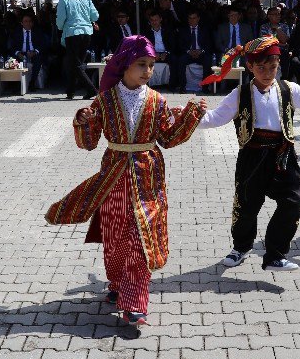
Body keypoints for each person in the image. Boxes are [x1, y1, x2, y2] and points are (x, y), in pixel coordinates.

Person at [45, 36, 205, 328]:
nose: (147, 71)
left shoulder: (158, 100)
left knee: (139, 236)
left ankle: (134, 302)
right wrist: (83, 120)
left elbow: (168, 138)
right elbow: (89, 143)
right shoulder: (104, 100)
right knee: (115, 233)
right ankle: (117, 282)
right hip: (114, 176)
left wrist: (189, 117)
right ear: (124, 66)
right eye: (141, 64)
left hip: (148, 177)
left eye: (152, 65)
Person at [200, 35, 300, 271]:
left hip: (283, 153)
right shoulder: (240, 94)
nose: (267, 73)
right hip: (252, 156)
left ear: (279, 66)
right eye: (261, 67)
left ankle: (275, 254)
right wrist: (190, 116)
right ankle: (241, 247)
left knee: (291, 200)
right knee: (246, 205)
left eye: (273, 67)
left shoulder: (288, 90)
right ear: (250, 67)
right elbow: (215, 118)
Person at [56, 0, 100, 99]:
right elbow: (95, 15)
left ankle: (91, 89)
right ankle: (70, 91)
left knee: (75, 64)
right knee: (76, 63)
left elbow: (60, 19)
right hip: (87, 33)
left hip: (72, 33)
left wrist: (60, 27)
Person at [8, 12, 48, 90]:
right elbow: (11, 46)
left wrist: (35, 51)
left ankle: (32, 82)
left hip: (33, 52)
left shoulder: (37, 31)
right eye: (25, 21)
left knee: (38, 60)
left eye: (29, 21)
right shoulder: (16, 32)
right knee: (11, 61)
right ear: (22, 23)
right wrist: (18, 53)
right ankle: (16, 84)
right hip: (20, 53)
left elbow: (43, 44)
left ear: (32, 23)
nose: (28, 23)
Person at [176, 9, 213, 92]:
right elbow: (180, 45)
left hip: (201, 53)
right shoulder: (183, 30)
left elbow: (209, 44)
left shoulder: (204, 29)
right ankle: (182, 86)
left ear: (198, 19)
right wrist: (189, 51)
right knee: (181, 60)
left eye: (194, 18)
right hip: (188, 53)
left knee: (208, 59)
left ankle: (205, 87)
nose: (192, 20)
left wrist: (201, 51)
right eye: (190, 18)